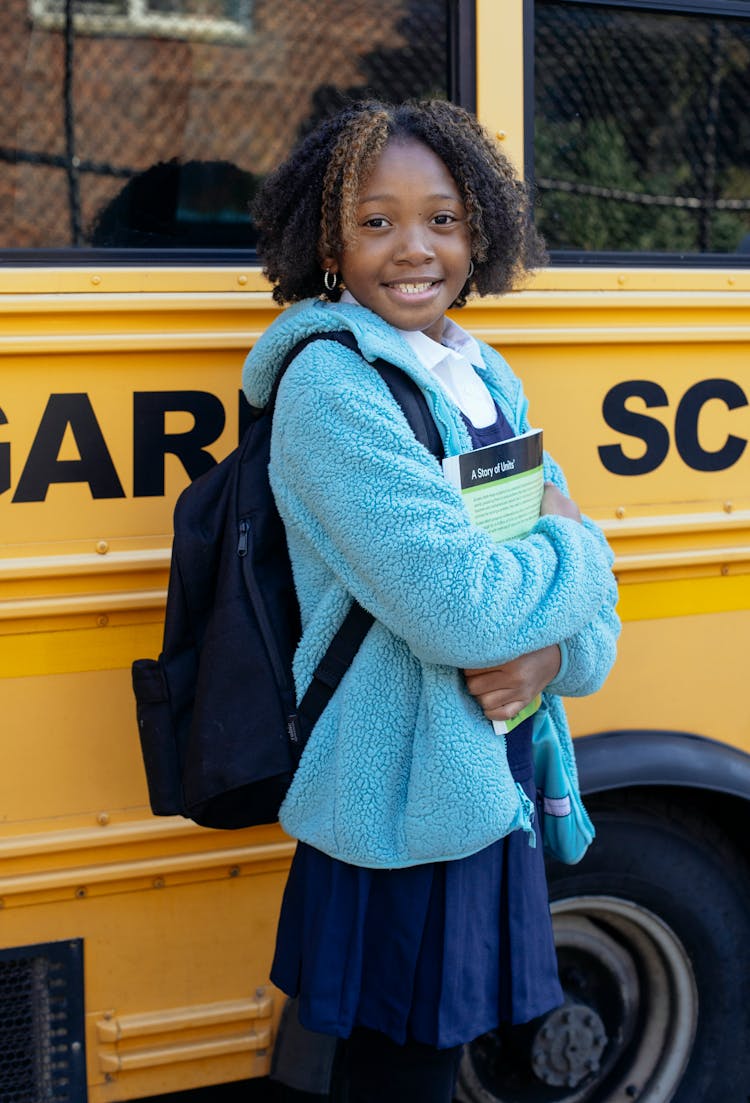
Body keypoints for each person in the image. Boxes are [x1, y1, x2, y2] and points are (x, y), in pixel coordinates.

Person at [241, 99, 620, 1103]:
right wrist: (578, 542)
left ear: (479, 229)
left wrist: (547, 652)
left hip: (480, 775)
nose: (414, 249)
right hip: (399, 793)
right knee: (394, 1069)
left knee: (434, 1058)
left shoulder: (479, 373)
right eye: (375, 221)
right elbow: (465, 606)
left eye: (443, 219)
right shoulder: (331, 385)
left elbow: (581, 636)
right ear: (325, 238)